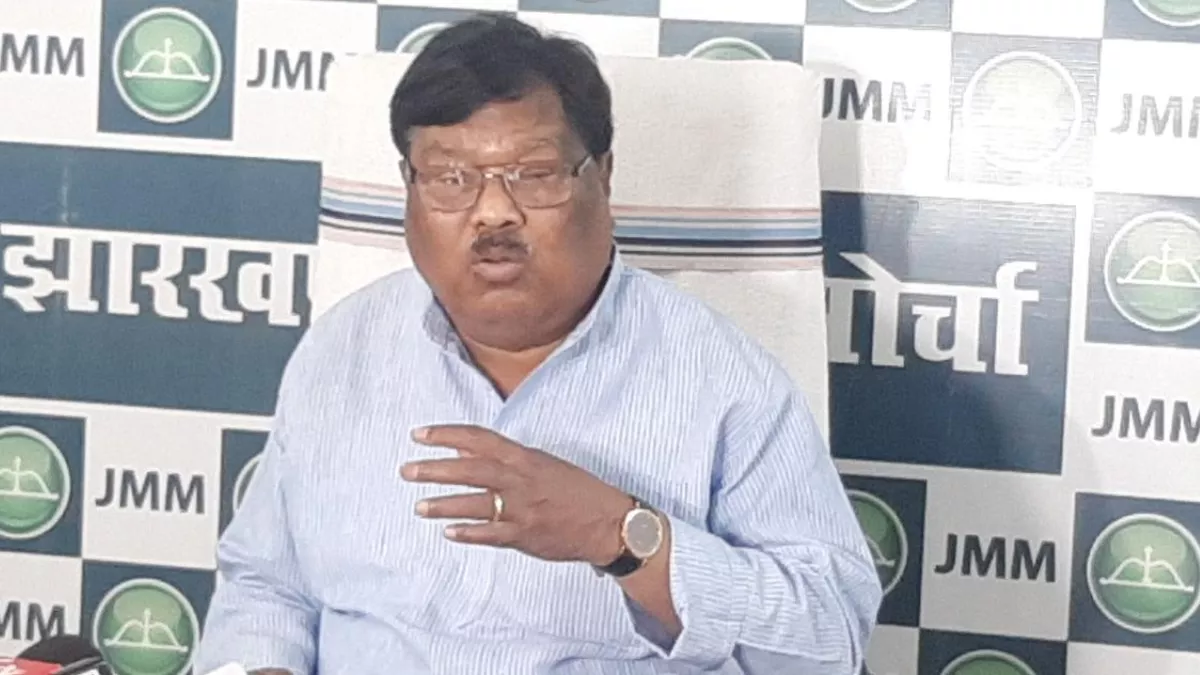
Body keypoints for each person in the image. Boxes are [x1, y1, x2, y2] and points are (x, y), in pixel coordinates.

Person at [195, 12, 881, 675]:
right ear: (409, 186)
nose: (494, 213)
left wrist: (621, 535)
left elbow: (828, 641)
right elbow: (265, 584)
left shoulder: (724, 379)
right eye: (451, 178)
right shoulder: (342, 348)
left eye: (534, 174)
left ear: (602, 177)